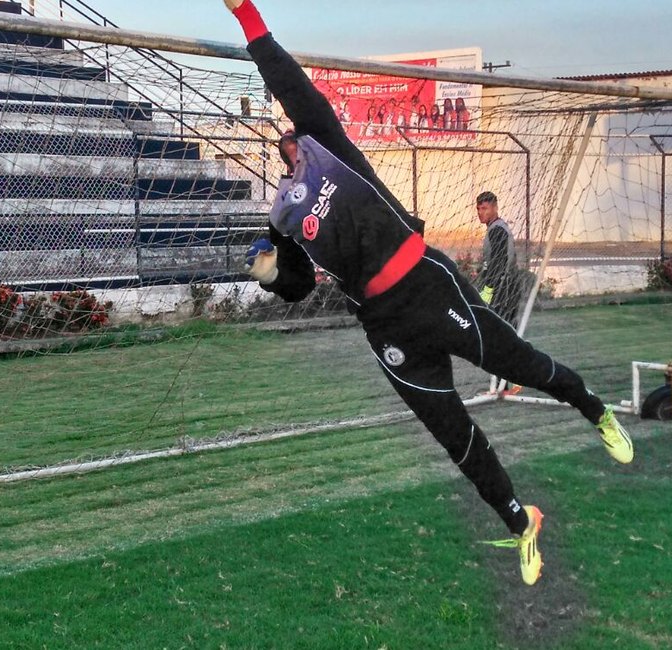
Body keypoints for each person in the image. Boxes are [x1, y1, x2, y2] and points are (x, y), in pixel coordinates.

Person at [224, 0, 634, 586]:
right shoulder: (284, 220)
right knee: (453, 435)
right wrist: (267, 273)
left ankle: (594, 408)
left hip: (425, 284)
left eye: (294, 137)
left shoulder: (334, 153)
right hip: (384, 327)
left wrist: (247, 15)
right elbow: (294, 286)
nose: (290, 146)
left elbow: (291, 84)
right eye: (284, 150)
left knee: (523, 363)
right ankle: (522, 524)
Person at [475, 191, 522, 328]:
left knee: (499, 330)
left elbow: (498, 263)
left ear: (495, 208)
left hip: (504, 290)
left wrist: (487, 292)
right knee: (506, 330)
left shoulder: (497, 230)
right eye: (478, 209)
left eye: (485, 208)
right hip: (505, 287)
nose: (480, 212)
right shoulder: (497, 227)